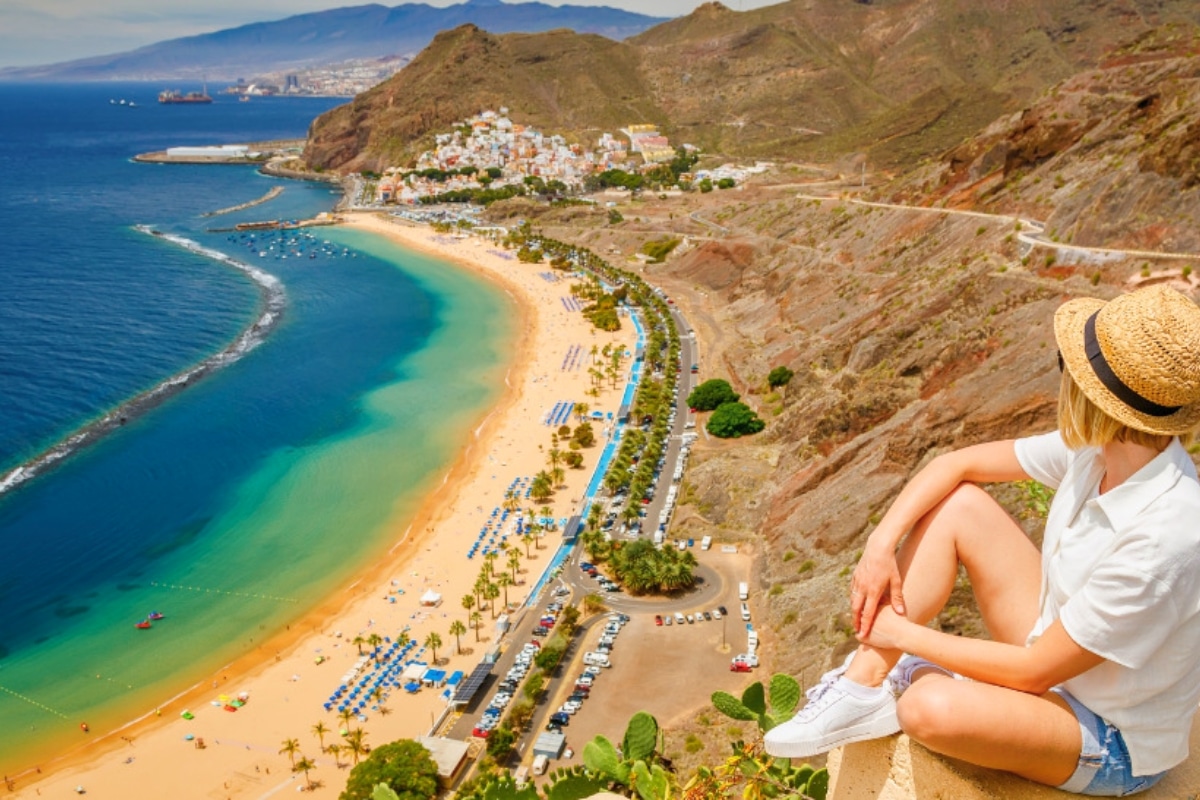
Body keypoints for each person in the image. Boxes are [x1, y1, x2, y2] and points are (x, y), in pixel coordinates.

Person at [764, 285, 1200, 796]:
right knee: (960, 505)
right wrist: (878, 546)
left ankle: (908, 673)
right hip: (1058, 656)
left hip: (1111, 734)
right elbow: (956, 465)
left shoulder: (1166, 534)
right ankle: (861, 686)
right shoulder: (1103, 451)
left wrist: (898, 634)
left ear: (1100, 400)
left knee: (928, 710)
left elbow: (1034, 672)